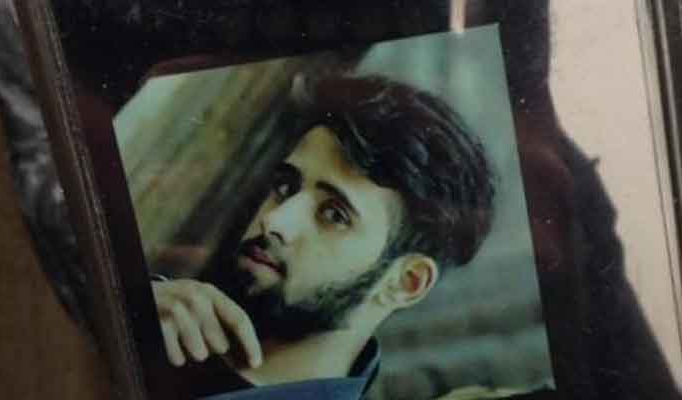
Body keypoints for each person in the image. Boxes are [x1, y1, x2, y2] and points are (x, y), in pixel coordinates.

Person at [151, 74, 496, 400]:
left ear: (406, 282)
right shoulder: (161, 307)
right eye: (285, 186)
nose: (274, 220)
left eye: (334, 214)